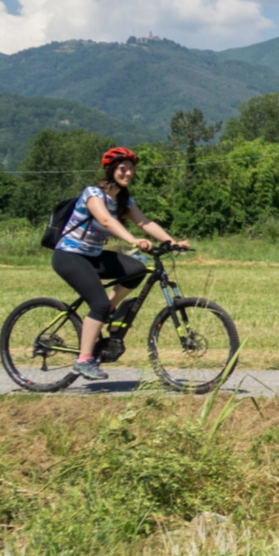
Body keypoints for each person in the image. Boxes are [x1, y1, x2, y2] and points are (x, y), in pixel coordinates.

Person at [52, 147, 187, 382]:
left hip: (93, 256)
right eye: (123, 169)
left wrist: (171, 242)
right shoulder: (93, 193)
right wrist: (132, 240)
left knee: (137, 269)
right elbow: (105, 219)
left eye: (132, 169)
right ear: (111, 170)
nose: (128, 173)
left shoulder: (124, 199)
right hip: (69, 256)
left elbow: (145, 222)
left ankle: (109, 310)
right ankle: (83, 360)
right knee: (98, 304)